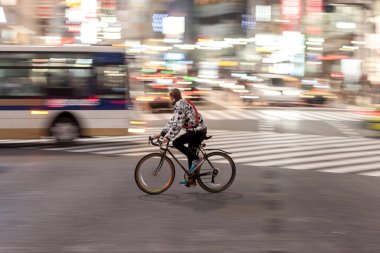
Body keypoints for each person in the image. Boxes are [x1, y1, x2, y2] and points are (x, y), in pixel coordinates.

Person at [152, 88, 207, 184]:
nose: (170, 99)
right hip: (196, 131)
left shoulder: (181, 106)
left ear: (172, 97)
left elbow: (177, 125)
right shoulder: (181, 104)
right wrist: (162, 134)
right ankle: (192, 179)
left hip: (197, 132)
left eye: (170, 97)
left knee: (176, 143)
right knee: (190, 154)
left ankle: (197, 160)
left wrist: (168, 137)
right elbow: (173, 122)